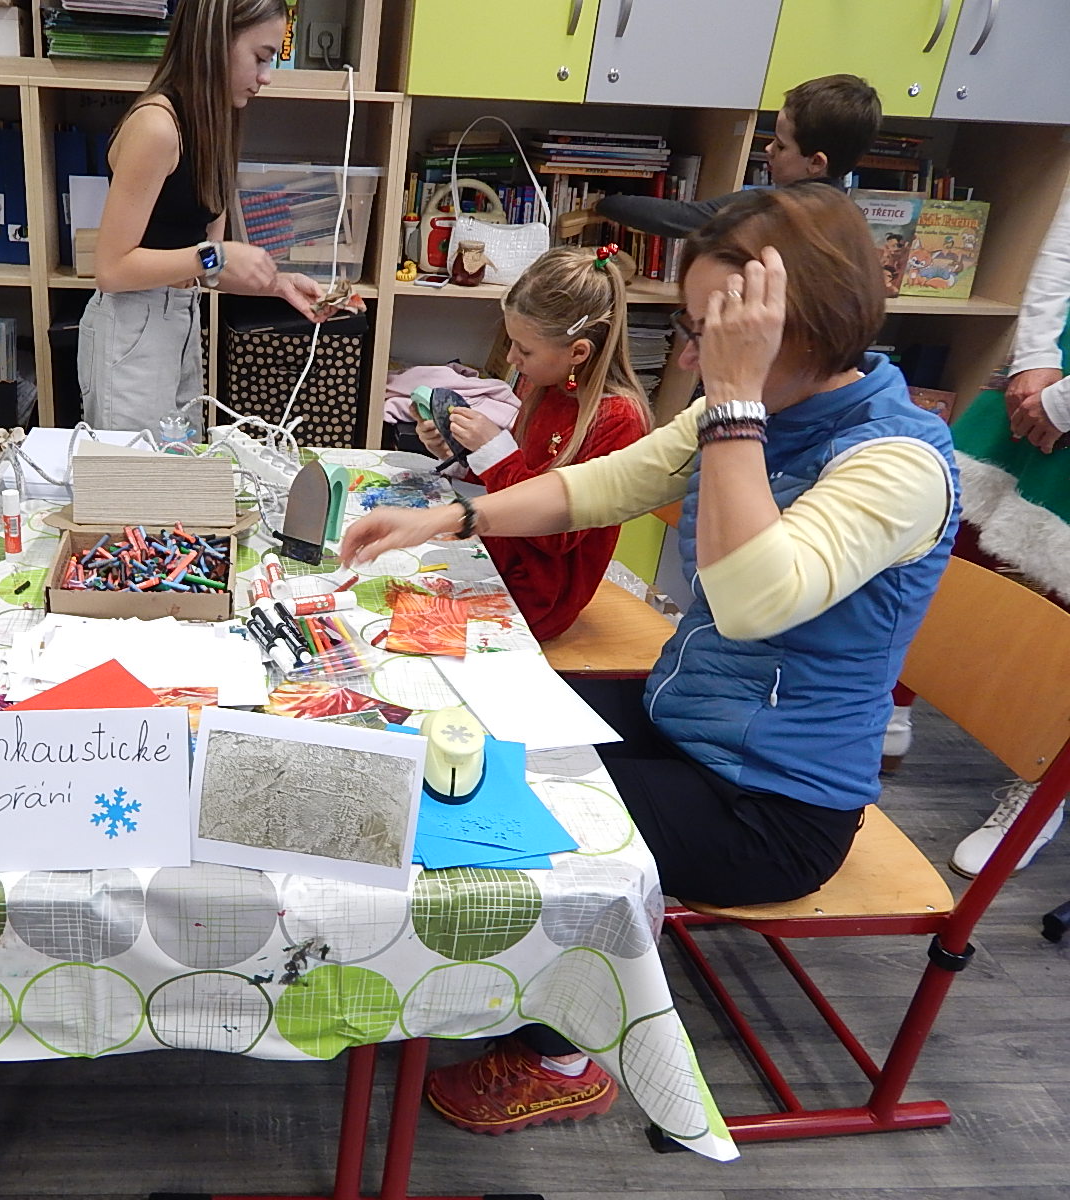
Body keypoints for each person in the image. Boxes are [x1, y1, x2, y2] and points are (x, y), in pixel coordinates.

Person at [341, 183, 958, 1135]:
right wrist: (451, 516)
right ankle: (483, 979)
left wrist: (737, 404)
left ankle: (563, 1052)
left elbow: (752, 599)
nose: (696, 354)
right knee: (470, 740)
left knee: (513, 824)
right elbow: (598, 486)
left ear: (795, 325)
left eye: (714, 330)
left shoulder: (897, 461)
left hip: (775, 808)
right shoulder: (748, 412)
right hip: (687, 727)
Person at [893, 180, 1070, 876]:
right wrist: (1037, 362)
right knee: (946, 527)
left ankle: (1039, 789)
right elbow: (1062, 246)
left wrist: (1065, 403)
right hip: (1049, 369)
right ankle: (888, 707)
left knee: (1062, 603)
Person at [79, 0, 339, 434]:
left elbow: (208, 269)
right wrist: (216, 256)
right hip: (131, 330)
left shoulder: (215, 126)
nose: (266, 77)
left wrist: (277, 284)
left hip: (181, 320)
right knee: (137, 472)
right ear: (216, 41)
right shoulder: (157, 127)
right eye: (260, 57)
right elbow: (111, 269)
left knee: (183, 463)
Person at [416, 244, 650, 640]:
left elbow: (555, 533)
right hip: (501, 557)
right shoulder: (547, 386)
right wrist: (460, 456)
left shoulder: (618, 421)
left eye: (524, 349)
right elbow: (518, 477)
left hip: (539, 599)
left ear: (578, 352)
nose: (511, 358)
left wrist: (493, 453)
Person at [597, 74, 881, 239]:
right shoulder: (852, 216)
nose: (768, 149)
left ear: (816, 162)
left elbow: (681, 218)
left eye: (781, 146)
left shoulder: (772, 208)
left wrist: (604, 203)